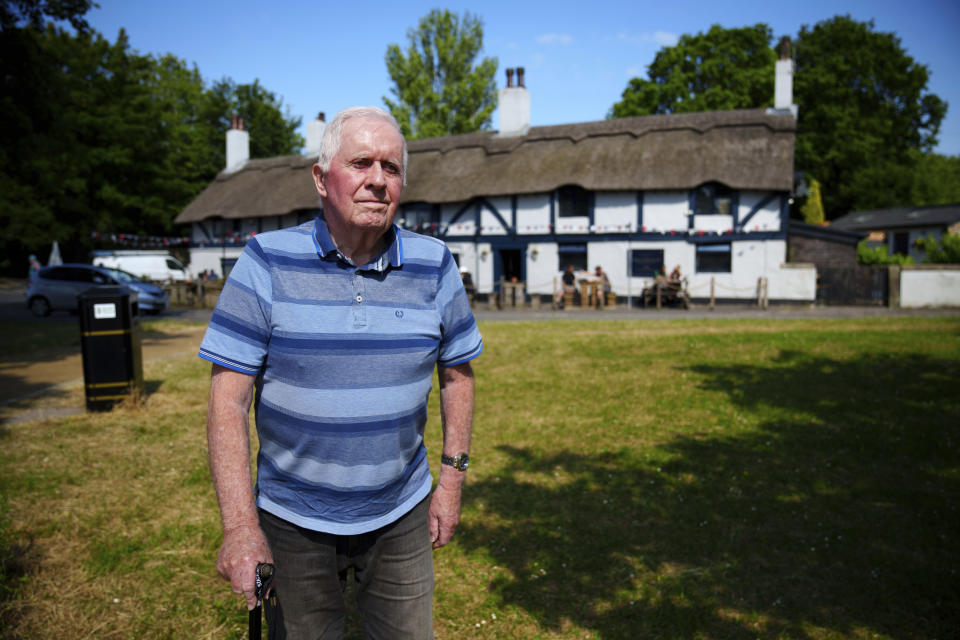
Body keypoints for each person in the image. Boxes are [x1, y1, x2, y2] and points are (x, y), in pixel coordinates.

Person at [201, 106, 482, 639]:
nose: (378, 180)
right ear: (320, 178)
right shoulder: (264, 262)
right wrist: (240, 528)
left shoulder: (435, 264)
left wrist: (451, 481)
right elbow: (227, 402)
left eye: (392, 168)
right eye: (361, 163)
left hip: (402, 513)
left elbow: (457, 376)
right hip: (293, 521)